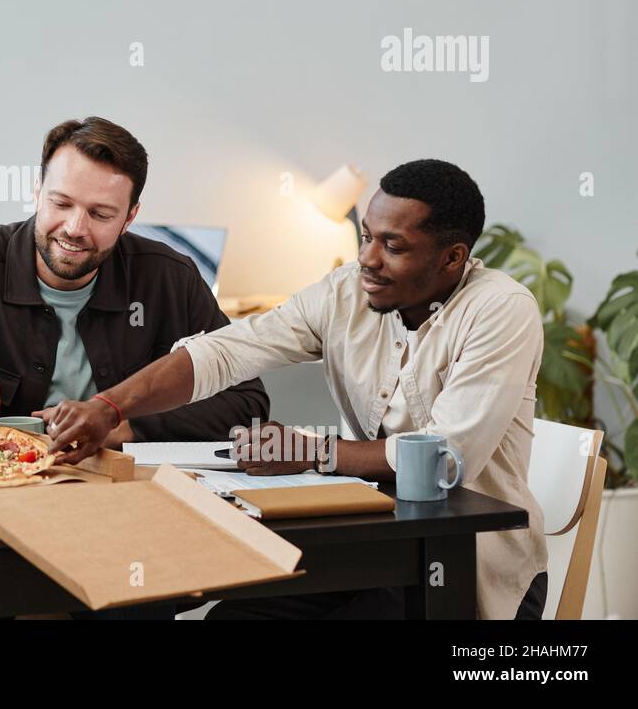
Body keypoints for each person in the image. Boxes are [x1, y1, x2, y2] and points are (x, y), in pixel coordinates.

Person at [41, 160, 549, 619]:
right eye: (366, 236)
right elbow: (226, 351)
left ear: (452, 258)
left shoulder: (501, 310)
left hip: (466, 564)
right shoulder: (347, 290)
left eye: (392, 247)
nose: (367, 259)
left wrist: (314, 452)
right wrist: (109, 406)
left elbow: (443, 458)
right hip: (375, 542)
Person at [0, 117, 268, 442]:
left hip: (126, 493)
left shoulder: (172, 279)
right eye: (61, 204)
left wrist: (121, 423)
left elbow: (246, 402)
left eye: (101, 214)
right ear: (37, 192)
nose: (75, 229)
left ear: (130, 218)